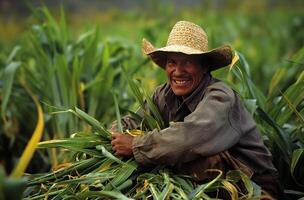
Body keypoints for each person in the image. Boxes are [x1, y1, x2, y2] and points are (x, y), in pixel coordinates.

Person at [111, 21, 281, 199]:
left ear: (204, 66)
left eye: (187, 63)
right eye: (172, 63)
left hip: (254, 186)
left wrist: (135, 145)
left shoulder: (221, 98)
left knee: (196, 156)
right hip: (207, 182)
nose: (178, 71)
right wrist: (112, 135)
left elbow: (190, 138)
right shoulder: (163, 94)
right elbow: (133, 121)